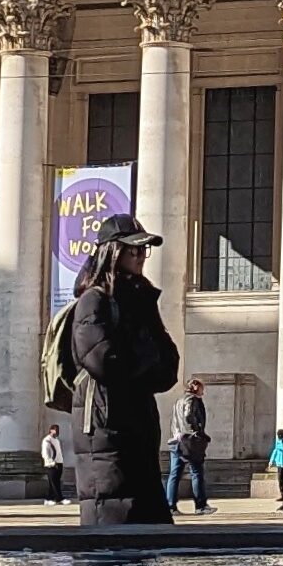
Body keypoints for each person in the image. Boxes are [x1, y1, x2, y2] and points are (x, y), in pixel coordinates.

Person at [69, 212, 181, 526]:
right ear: (113, 252)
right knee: (112, 515)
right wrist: (146, 360)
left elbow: (169, 365)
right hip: (105, 424)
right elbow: (102, 360)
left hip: (139, 422)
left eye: (144, 250)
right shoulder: (94, 301)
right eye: (134, 250)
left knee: (150, 524)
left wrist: (141, 362)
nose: (141, 257)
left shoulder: (143, 300)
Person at [166, 378, 214, 515]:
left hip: (176, 440)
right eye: (201, 389)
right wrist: (197, 431)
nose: (202, 393)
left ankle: (171, 506)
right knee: (196, 472)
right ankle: (201, 506)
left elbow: (175, 420)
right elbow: (188, 416)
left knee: (174, 474)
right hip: (190, 441)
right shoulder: (192, 400)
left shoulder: (178, 401)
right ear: (195, 387)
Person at [41, 425, 68, 505]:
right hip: (51, 464)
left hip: (59, 463)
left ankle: (48, 498)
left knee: (53, 482)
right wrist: (51, 462)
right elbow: (45, 453)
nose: (57, 432)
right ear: (51, 430)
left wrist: (61, 461)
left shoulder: (56, 440)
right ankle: (59, 498)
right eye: (56, 430)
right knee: (54, 482)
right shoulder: (47, 440)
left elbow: (58, 452)